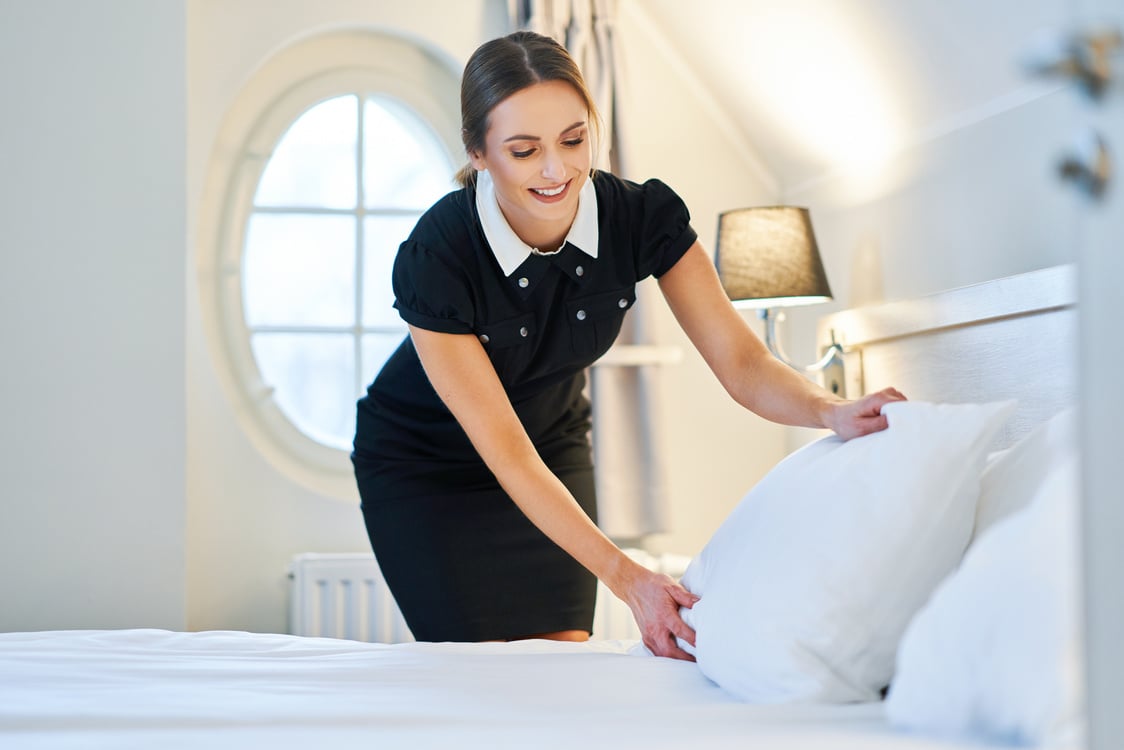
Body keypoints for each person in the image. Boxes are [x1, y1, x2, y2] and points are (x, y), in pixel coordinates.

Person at [351, 30, 905, 661]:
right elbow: (505, 453)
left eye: (573, 139)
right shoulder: (437, 255)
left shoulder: (641, 219)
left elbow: (743, 360)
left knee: (559, 659)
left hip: (551, 442)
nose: (557, 170)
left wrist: (829, 412)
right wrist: (629, 578)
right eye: (524, 150)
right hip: (424, 464)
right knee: (481, 673)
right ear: (479, 153)